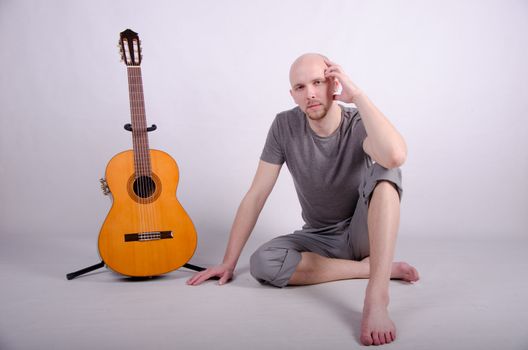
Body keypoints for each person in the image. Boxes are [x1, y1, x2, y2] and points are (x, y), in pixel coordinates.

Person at [187, 53, 419, 346]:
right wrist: (228, 262)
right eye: (300, 87)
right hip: (319, 237)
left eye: (318, 82)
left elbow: (396, 156)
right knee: (263, 263)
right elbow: (257, 194)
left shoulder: (358, 122)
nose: (309, 93)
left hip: (363, 233)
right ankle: (373, 267)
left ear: (333, 83)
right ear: (292, 94)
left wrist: (357, 95)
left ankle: (377, 296)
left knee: (387, 170)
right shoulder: (284, 126)